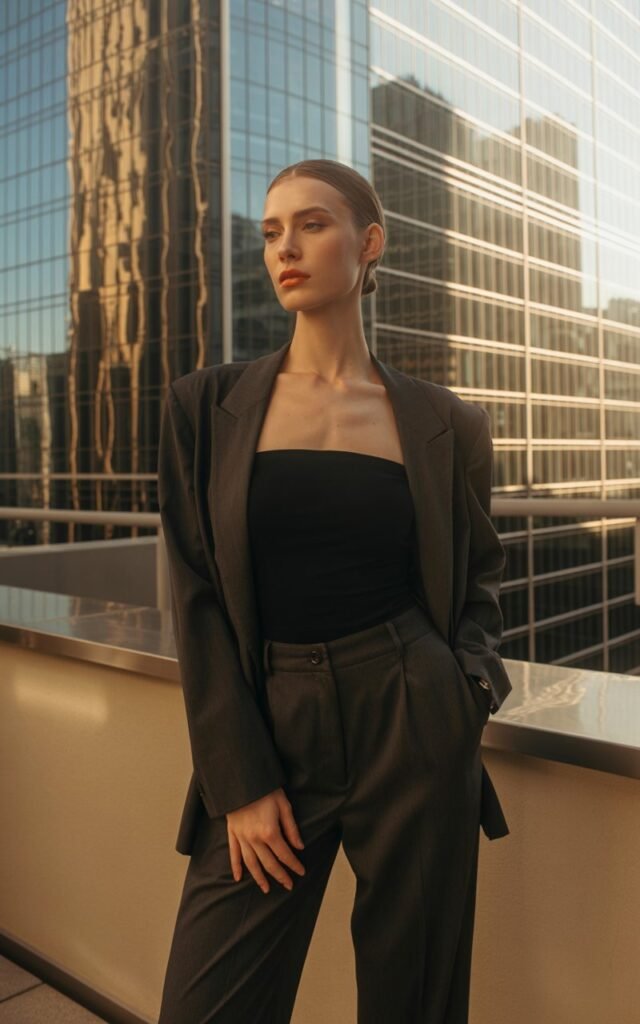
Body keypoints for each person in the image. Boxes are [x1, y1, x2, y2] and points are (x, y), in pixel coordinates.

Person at [157, 159, 512, 1024]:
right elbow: (195, 594)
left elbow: (481, 580)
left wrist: (465, 689)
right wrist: (238, 777)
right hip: (272, 722)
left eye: (312, 225)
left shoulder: (447, 422)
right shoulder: (205, 407)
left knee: (415, 1000)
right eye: (272, 231)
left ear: (369, 244)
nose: (286, 247)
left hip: (413, 718)